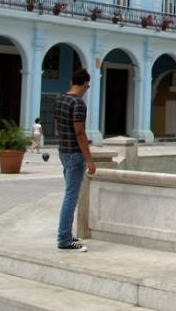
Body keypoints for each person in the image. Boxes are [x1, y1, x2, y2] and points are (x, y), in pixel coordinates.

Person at [54, 68, 96, 252]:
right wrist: (90, 159)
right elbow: (80, 132)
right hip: (74, 154)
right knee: (71, 196)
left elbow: (57, 127)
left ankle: (67, 235)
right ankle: (64, 238)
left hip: (63, 151)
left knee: (70, 193)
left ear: (72, 81)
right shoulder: (78, 103)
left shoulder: (60, 98)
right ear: (86, 84)